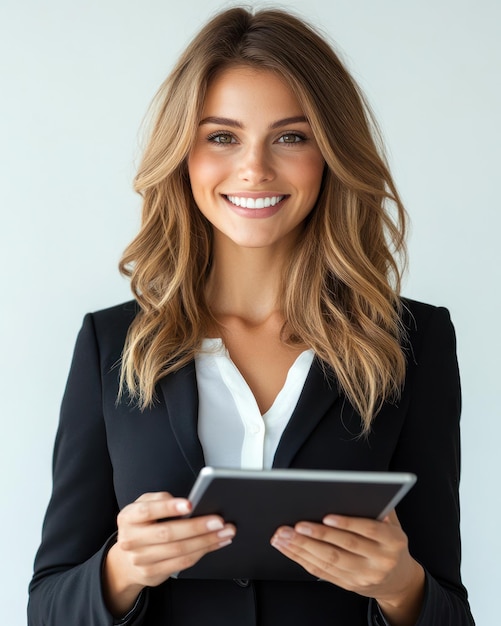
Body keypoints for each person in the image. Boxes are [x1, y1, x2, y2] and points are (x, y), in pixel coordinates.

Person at [28, 7, 475, 626]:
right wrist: (121, 569)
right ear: (184, 154)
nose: (255, 168)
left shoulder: (412, 342)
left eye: (291, 136)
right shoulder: (111, 343)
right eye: (222, 136)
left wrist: (401, 588)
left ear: (331, 153)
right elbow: (47, 608)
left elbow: (451, 610)